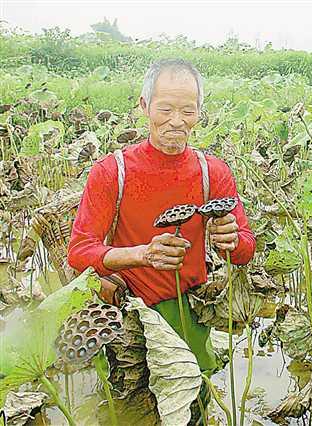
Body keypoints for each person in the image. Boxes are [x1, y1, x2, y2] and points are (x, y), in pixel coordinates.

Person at [68, 59, 256, 372]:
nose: (177, 122)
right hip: (130, 314)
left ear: (199, 111)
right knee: (133, 410)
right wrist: (142, 254)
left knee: (195, 402)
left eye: (188, 111)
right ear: (145, 105)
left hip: (193, 310)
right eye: (165, 109)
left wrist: (231, 239)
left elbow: (245, 250)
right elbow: (79, 252)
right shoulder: (113, 172)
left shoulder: (214, 172)